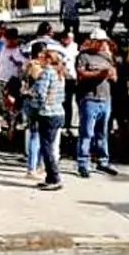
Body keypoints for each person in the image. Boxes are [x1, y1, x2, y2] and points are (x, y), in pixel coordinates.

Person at [74, 29, 118, 178]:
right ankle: (83, 163)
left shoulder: (107, 57)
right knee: (86, 132)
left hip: (105, 98)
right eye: (98, 41)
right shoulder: (83, 57)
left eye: (103, 42)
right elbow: (81, 74)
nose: (101, 44)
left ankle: (103, 160)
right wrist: (100, 74)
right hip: (89, 98)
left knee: (102, 132)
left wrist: (111, 74)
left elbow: (114, 76)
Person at [27, 43, 67, 191]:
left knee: (46, 147)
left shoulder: (46, 73)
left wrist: (29, 94)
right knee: (50, 145)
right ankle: (50, 177)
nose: (40, 60)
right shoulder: (60, 73)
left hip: (47, 113)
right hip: (58, 112)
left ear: (48, 60)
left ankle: (55, 177)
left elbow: (40, 94)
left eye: (43, 57)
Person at [20, 42, 49, 180]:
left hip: (31, 101)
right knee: (35, 135)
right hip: (34, 103)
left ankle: (39, 165)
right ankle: (32, 168)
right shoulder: (34, 66)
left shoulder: (28, 64)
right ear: (40, 53)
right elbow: (40, 81)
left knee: (39, 135)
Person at [0, 28, 26, 138]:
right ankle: (10, 123)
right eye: (7, 40)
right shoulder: (2, 48)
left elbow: (26, 64)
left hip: (14, 81)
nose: (9, 42)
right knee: (2, 106)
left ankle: (12, 127)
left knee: (13, 105)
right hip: (1, 79)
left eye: (12, 40)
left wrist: (16, 62)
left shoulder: (20, 50)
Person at [57, 30, 80, 137]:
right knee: (64, 101)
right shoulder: (59, 48)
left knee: (72, 101)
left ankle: (70, 124)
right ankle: (63, 123)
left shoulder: (76, 48)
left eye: (69, 38)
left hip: (72, 78)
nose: (67, 40)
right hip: (61, 78)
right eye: (65, 38)